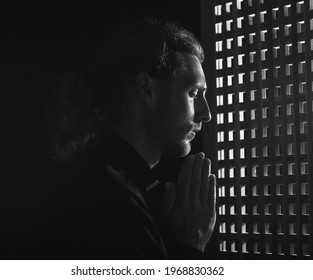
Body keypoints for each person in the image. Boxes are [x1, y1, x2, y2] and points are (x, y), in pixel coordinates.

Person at [32, 16, 216, 259]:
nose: (206, 115)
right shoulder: (114, 203)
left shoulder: (103, 179)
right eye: (193, 94)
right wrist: (190, 247)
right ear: (146, 89)